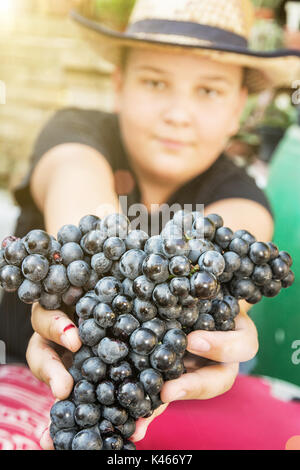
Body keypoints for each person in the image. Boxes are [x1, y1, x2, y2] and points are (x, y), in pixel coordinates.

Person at [0, 0, 299, 450]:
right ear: (119, 86)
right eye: (155, 82)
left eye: (209, 91)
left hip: (150, 397)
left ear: (240, 107)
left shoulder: (237, 189)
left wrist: (214, 311)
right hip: (23, 367)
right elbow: (79, 196)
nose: (178, 113)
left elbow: (241, 242)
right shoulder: (76, 132)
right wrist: (107, 280)